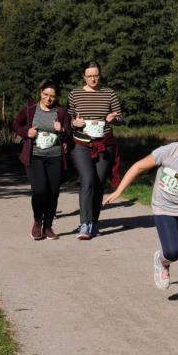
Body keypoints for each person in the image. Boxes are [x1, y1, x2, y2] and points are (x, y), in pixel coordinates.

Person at [103, 114, 178, 311]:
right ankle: (161, 260)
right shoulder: (168, 152)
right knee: (172, 251)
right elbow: (138, 166)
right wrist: (119, 190)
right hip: (163, 207)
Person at [68, 61, 123, 240]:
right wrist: (73, 123)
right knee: (88, 179)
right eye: (89, 75)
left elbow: (120, 117)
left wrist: (113, 118)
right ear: (84, 76)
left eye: (96, 75)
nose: (93, 78)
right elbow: (67, 118)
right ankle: (84, 224)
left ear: (100, 75)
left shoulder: (109, 93)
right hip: (81, 144)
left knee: (99, 183)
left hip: (104, 143)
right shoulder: (75, 94)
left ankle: (94, 223)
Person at [11, 79, 72, 241]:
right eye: (45, 94)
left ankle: (48, 226)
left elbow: (69, 134)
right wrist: (26, 132)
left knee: (53, 192)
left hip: (56, 157)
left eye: (52, 96)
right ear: (40, 93)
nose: (48, 99)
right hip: (35, 156)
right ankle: (38, 222)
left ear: (56, 97)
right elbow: (16, 124)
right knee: (39, 190)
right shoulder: (30, 109)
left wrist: (63, 130)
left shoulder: (61, 112)